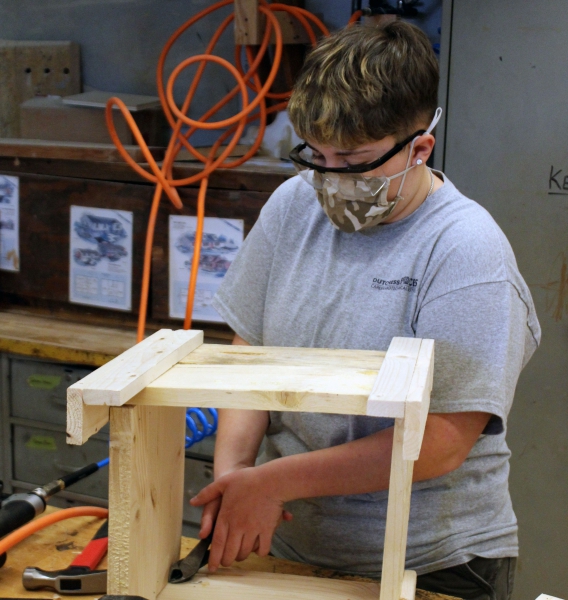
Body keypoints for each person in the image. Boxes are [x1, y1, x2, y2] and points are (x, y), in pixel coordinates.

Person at [190, 20, 540, 600]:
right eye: (316, 155)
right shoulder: (293, 205)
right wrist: (235, 478)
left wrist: (272, 482)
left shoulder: (465, 250)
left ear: (419, 148)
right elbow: (250, 354)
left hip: (432, 561)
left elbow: (443, 438)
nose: (330, 180)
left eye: (352, 161)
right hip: (295, 544)